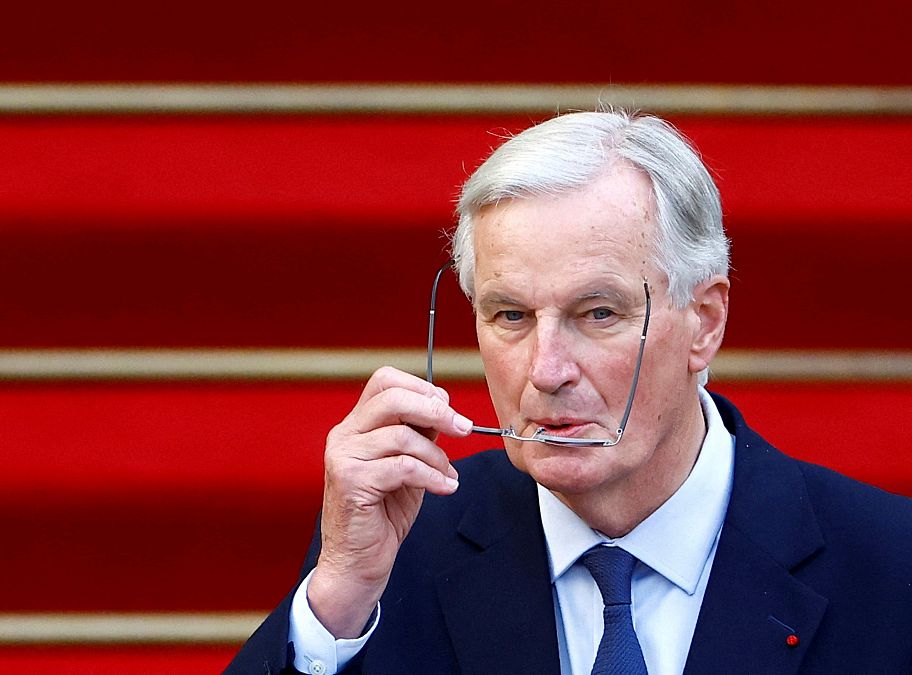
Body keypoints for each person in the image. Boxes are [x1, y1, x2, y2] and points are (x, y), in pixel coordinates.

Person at [226, 110, 912, 674]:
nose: (546, 369)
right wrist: (336, 602)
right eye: (511, 316)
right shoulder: (399, 550)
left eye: (599, 313)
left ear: (704, 322)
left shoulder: (889, 565)